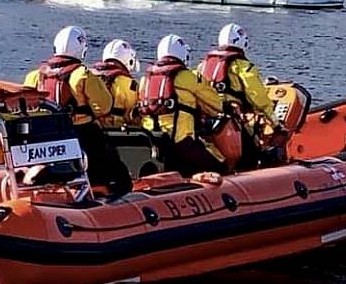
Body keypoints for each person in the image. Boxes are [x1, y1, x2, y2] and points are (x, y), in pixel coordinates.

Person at [24, 26, 132, 196]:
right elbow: (104, 105)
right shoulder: (82, 75)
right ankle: (102, 191)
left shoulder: (35, 76)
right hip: (81, 135)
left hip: (44, 135)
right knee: (119, 174)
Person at [138, 34, 227, 177]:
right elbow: (216, 104)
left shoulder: (144, 80)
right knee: (220, 165)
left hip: (151, 142)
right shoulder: (189, 77)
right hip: (182, 143)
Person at [197, 23, 277, 127]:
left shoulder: (202, 65)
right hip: (231, 115)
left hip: (205, 113)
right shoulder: (244, 67)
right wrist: (274, 121)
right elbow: (257, 95)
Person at [91, 39, 140, 128]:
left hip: (92, 129)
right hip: (117, 133)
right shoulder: (130, 84)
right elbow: (133, 115)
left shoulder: (90, 77)